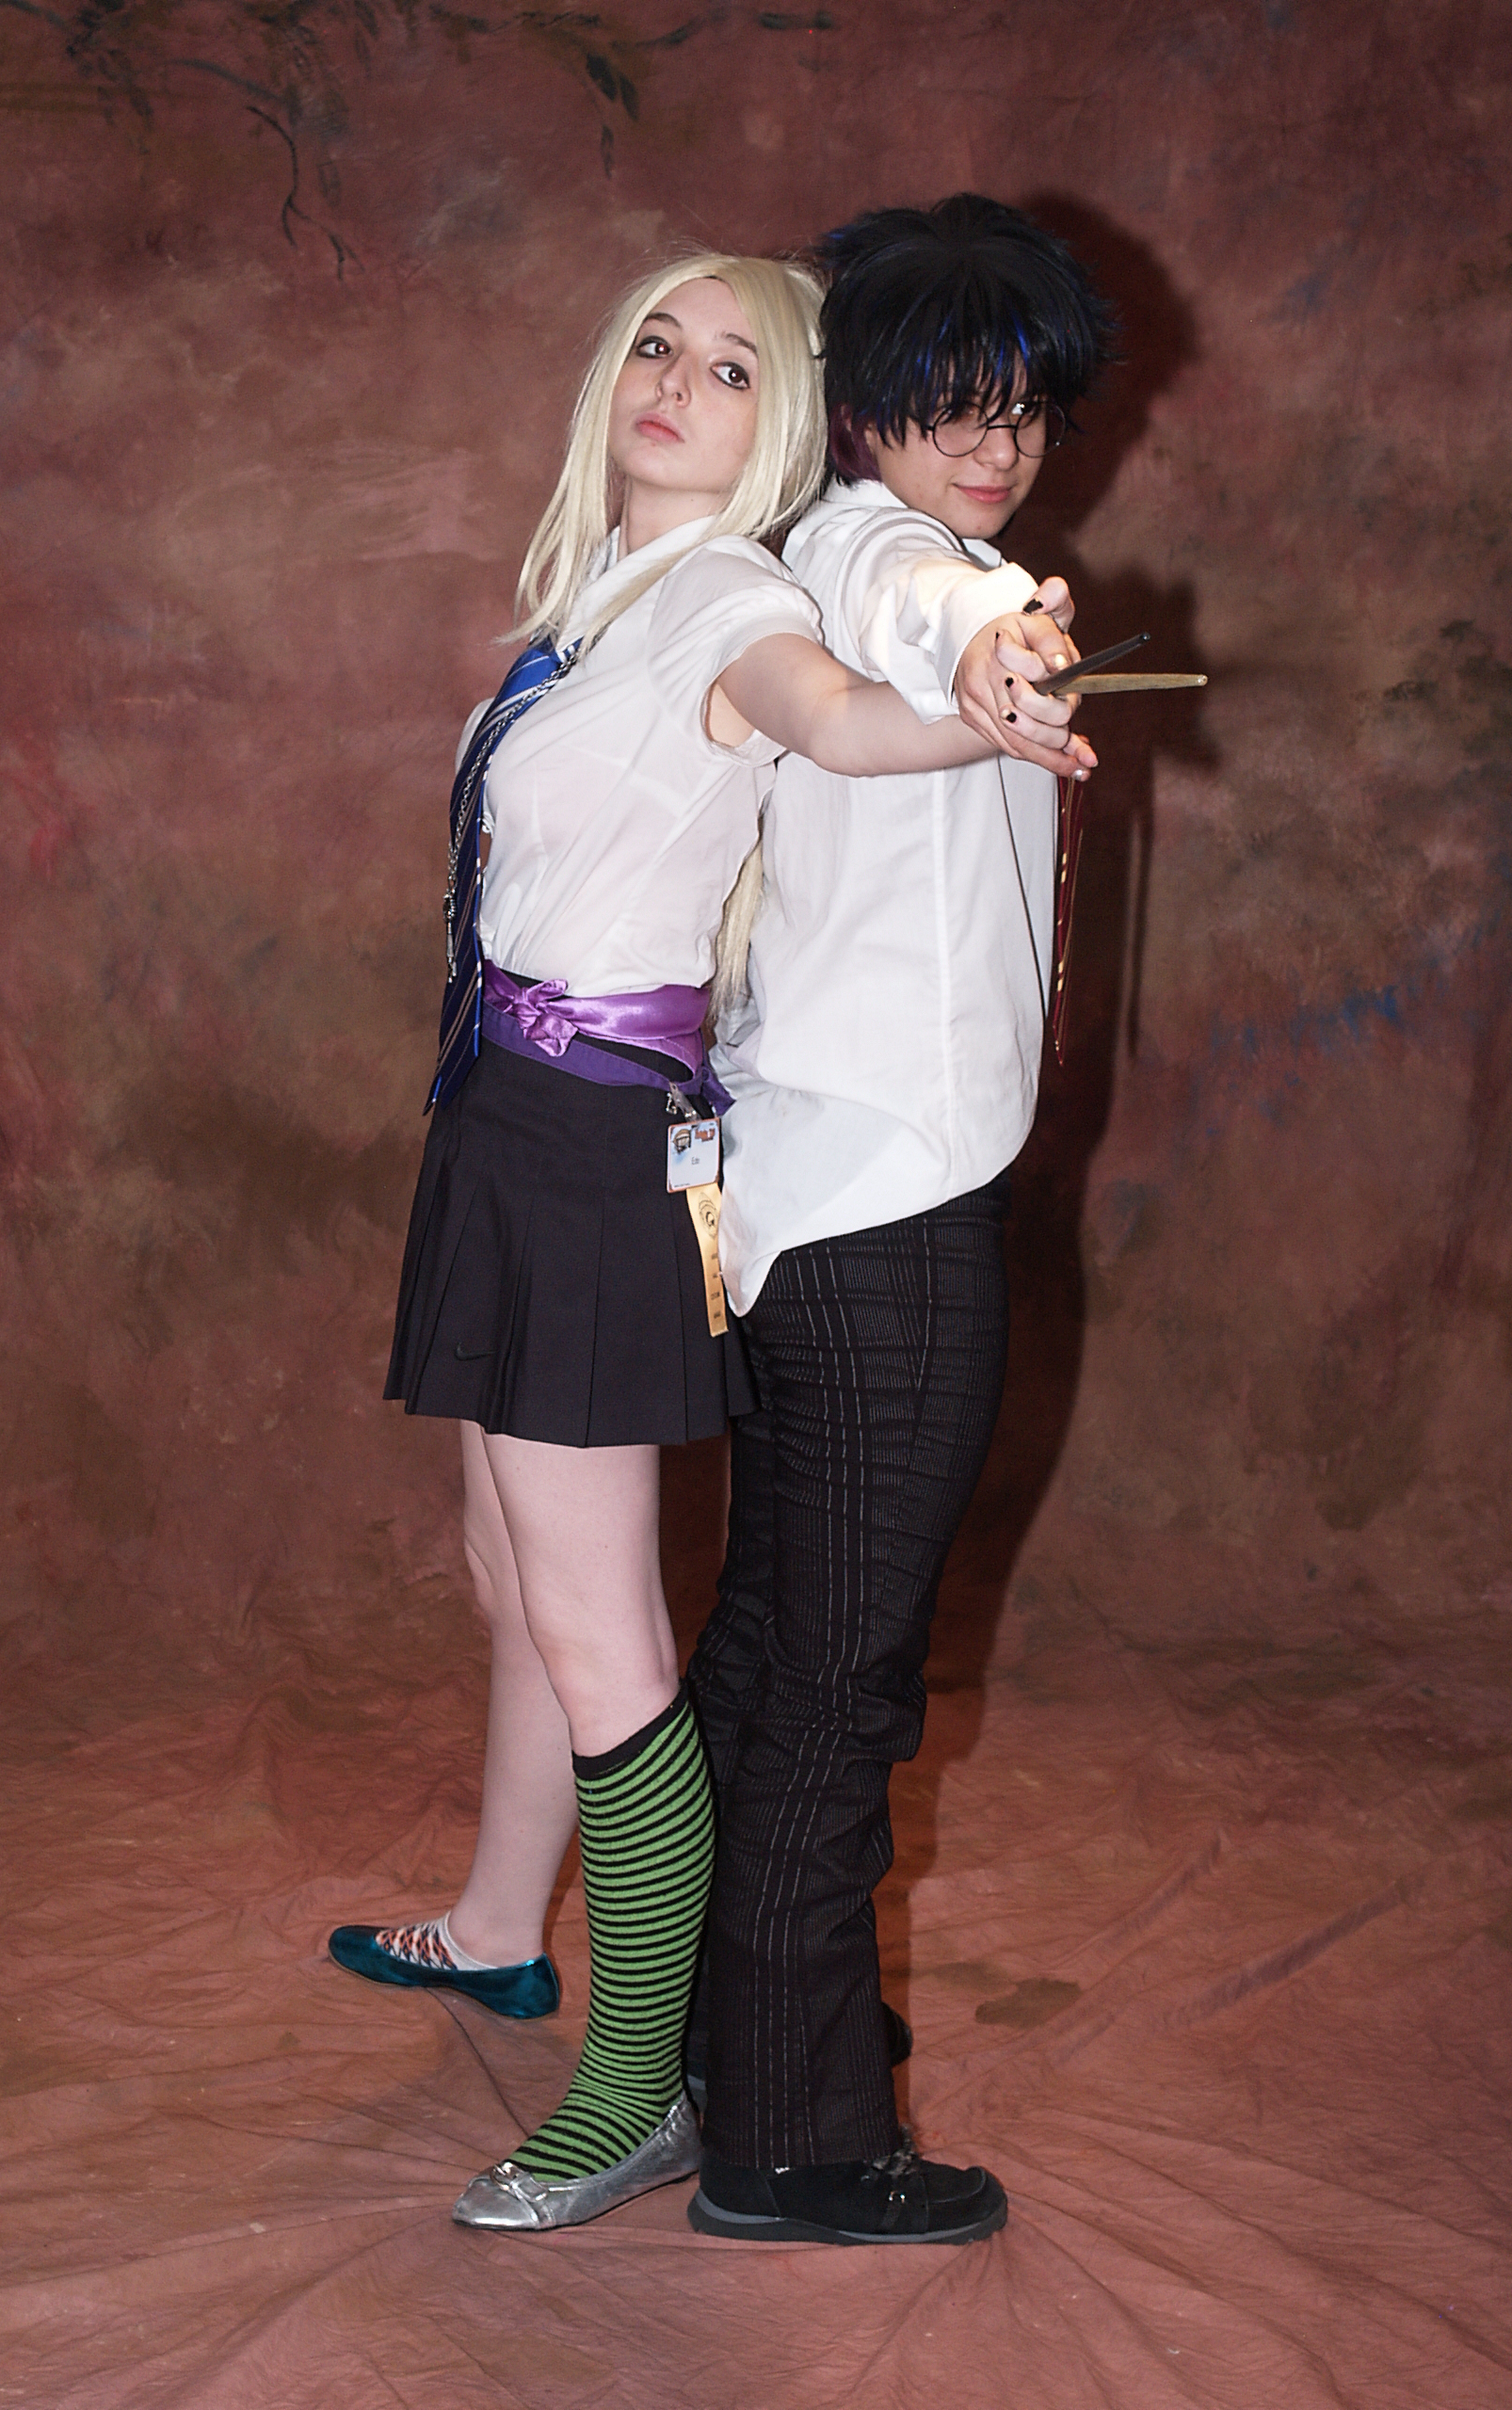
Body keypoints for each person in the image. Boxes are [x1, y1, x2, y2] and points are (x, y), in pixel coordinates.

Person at [329, 250, 1090, 2234]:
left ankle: (631, 2091)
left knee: (612, 1642)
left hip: (597, 1150)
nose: (678, 379)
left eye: (736, 364)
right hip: (511, 1129)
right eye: (658, 342)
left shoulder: (748, 598)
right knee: (523, 1583)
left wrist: (989, 692)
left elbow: (854, 692)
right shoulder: (607, 602)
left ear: (798, 413)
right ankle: (509, 1926)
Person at [686, 195, 1118, 2245]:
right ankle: (794, 2140)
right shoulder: (876, 556)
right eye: (952, 399)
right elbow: (928, 598)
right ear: (863, 407)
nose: (994, 442)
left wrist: (992, 629)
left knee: (773, 1651)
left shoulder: (823, 558)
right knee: (839, 1686)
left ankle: (722, 2044)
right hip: (887, 1219)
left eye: (1022, 406)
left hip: (808, 1198)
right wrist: (996, 639)